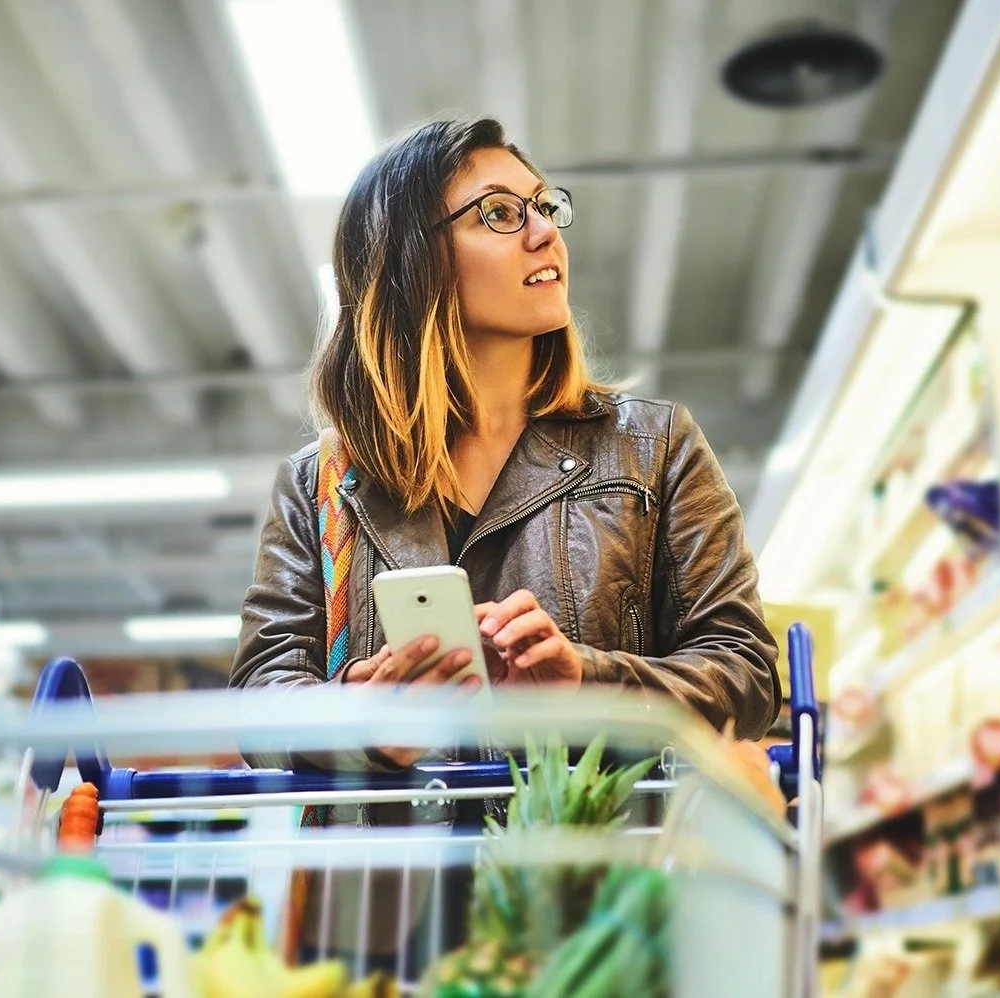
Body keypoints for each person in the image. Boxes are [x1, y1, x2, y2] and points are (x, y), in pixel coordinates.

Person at [230, 115, 781, 973]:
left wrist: (589, 682)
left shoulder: (654, 447)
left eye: (543, 203)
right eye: (496, 213)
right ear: (410, 263)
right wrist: (365, 726)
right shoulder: (320, 484)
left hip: (599, 925)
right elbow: (260, 696)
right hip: (386, 929)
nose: (542, 229)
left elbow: (746, 674)